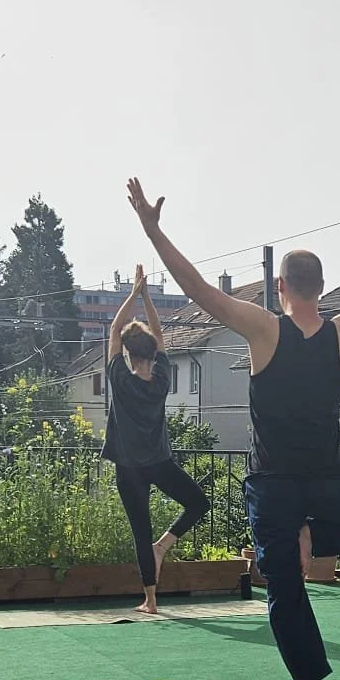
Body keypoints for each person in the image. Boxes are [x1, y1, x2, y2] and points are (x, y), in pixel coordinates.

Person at [127, 178, 340, 680]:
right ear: (321, 287)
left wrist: (154, 232)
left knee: (285, 593)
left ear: (281, 286)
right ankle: (315, 542)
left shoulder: (264, 329)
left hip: (274, 489)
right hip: (329, 483)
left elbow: (200, 291)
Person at [103, 263, 211, 615]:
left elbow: (116, 330)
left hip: (129, 468)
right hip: (159, 464)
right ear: (151, 356)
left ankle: (151, 600)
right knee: (198, 503)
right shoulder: (163, 379)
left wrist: (133, 295)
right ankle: (164, 545)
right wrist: (148, 297)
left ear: (130, 356)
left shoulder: (120, 377)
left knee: (140, 532)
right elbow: (162, 335)